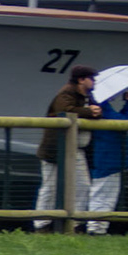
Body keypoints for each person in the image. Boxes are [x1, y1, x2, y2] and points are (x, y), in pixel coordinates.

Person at [34, 64, 101, 231]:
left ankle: (75, 223)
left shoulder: (87, 96)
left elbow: (91, 111)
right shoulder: (67, 92)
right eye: (91, 78)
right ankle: (41, 224)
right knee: (50, 187)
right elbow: (64, 110)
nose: (94, 82)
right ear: (81, 79)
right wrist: (88, 111)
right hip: (56, 149)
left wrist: (97, 111)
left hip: (76, 149)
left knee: (83, 185)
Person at [85, 86, 128, 234]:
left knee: (105, 195)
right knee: (102, 195)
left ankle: (99, 228)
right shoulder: (101, 107)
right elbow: (126, 123)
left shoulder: (102, 108)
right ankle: (95, 229)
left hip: (109, 158)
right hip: (108, 158)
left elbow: (119, 121)